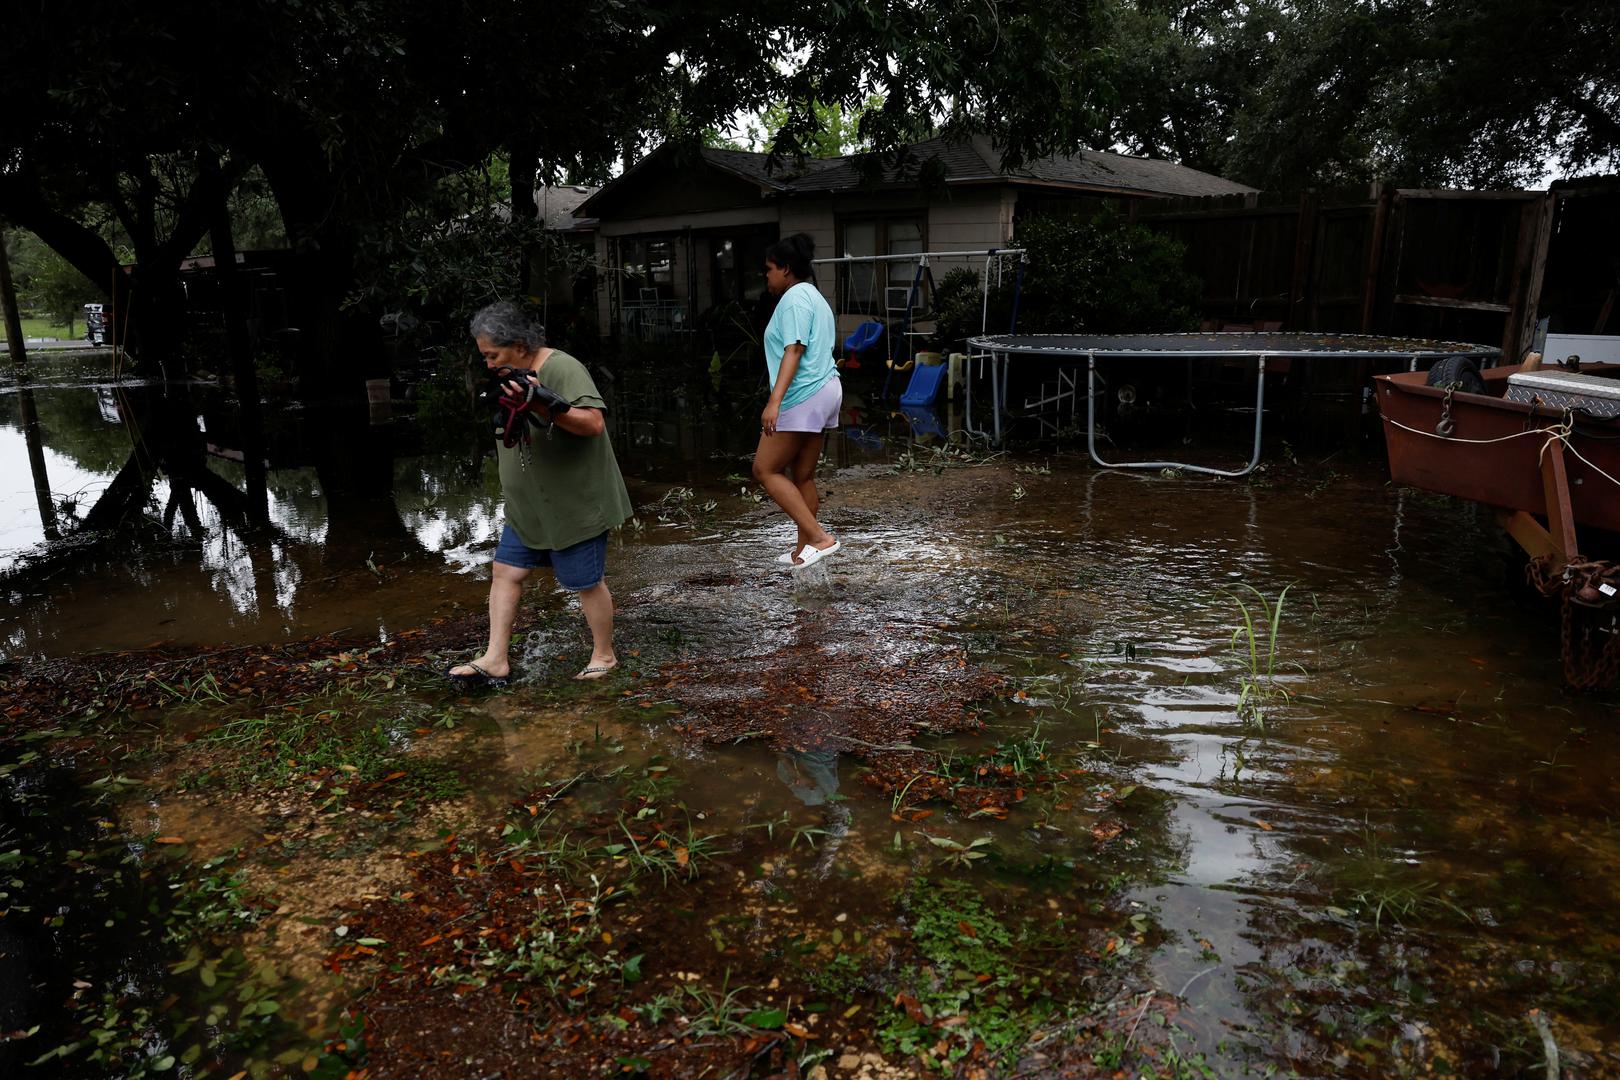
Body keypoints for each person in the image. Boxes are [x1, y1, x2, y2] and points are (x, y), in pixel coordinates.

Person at [448, 301, 634, 685]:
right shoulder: (509, 374)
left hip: (574, 500)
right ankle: (495, 659)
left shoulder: (561, 367)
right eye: (483, 356)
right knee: (505, 571)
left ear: (519, 344)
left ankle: (604, 655)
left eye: (492, 355)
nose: (488, 364)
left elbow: (593, 423)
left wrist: (547, 406)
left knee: (585, 581)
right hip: (528, 504)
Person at [755, 233, 842, 569]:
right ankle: (804, 551)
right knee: (802, 475)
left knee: (765, 469)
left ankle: (819, 537)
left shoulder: (793, 299)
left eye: (769, 269)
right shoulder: (815, 297)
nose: (767, 275)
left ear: (786, 270)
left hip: (803, 393)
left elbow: (794, 349)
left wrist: (774, 401)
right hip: (826, 388)